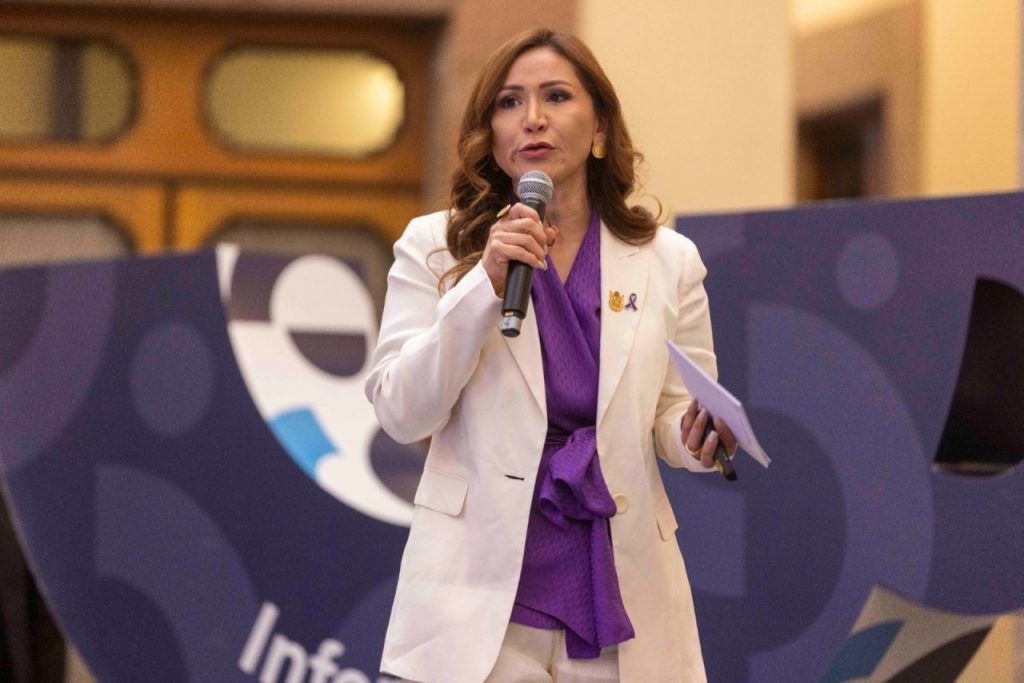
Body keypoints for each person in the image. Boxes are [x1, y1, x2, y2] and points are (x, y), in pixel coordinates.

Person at [364, 28, 737, 683]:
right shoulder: (435, 245)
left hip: (619, 592)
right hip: (478, 600)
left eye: (556, 96)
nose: (532, 118)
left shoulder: (668, 260)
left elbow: (675, 410)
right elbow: (402, 410)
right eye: (509, 102)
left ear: (600, 127)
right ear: (491, 136)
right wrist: (483, 284)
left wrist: (695, 434)